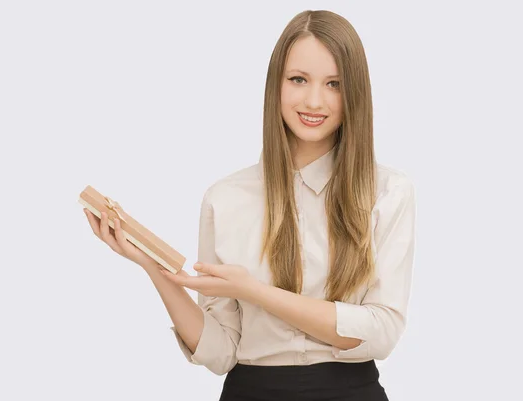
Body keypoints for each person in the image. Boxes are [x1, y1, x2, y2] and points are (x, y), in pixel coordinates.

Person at [83, 9, 416, 401]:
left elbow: (380, 333)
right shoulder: (225, 198)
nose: (314, 100)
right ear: (276, 84)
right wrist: (153, 267)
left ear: (355, 93)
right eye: (298, 80)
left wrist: (255, 292)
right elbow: (222, 351)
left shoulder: (388, 191)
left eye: (334, 84)